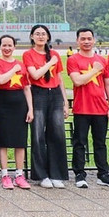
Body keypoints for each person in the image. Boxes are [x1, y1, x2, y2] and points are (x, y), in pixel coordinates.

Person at [67, 28, 109, 189]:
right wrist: (95, 70)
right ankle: (79, 174)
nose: (86, 41)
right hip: (82, 108)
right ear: (78, 41)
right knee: (79, 143)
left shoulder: (102, 60)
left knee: (100, 143)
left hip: (100, 108)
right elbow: (78, 81)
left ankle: (103, 174)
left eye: (89, 38)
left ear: (94, 40)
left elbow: (108, 84)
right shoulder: (73, 60)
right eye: (83, 39)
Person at [24, 24, 69, 189]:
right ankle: (41, 175)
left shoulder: (54, 54)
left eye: (43, 34)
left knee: (57, 134)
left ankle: (57, 174)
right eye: (37, 34)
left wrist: (65, 102)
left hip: (55, 94)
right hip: (39, 94)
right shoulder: (29, 55)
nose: (41, 36)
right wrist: (50, 63)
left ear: (48, 37)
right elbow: (35, 75)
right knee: (37, 135)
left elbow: (60, 78)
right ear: (32, 37)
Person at [0, 35, 33, 190]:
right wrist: (13, 69)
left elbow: (27, 87)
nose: (7, 48)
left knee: (20, 141)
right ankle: (4, 175)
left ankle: (19, 174)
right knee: (3, 141)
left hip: (20, 103)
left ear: (14, 47)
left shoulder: (21, 65)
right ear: (0, 46)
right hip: (3, 102)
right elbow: (0, 80)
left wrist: (30, 108)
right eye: (4, 45)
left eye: (10, 45)